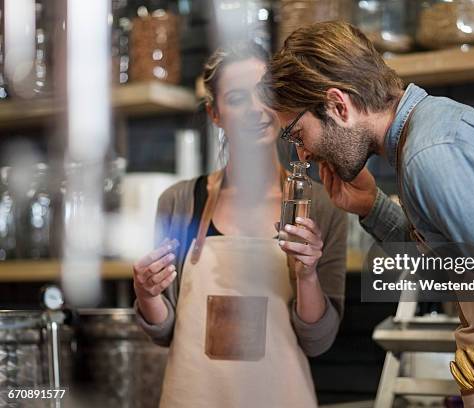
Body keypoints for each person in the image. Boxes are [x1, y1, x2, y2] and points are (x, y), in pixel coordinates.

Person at [258, 21, 474, 407]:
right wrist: (371, 207)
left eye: (295, 133)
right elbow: (464, 271)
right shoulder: (428, 132)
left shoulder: (431, 156)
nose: (302, 153)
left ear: (338, 106)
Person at [131, 42, 347, 408]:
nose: (255, 109)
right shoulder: (180, 202)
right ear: (215, 113)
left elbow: (318, 341)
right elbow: (165, 332)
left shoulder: (321, 205)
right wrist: (147, 294)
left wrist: (307, 274)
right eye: (236, 98)